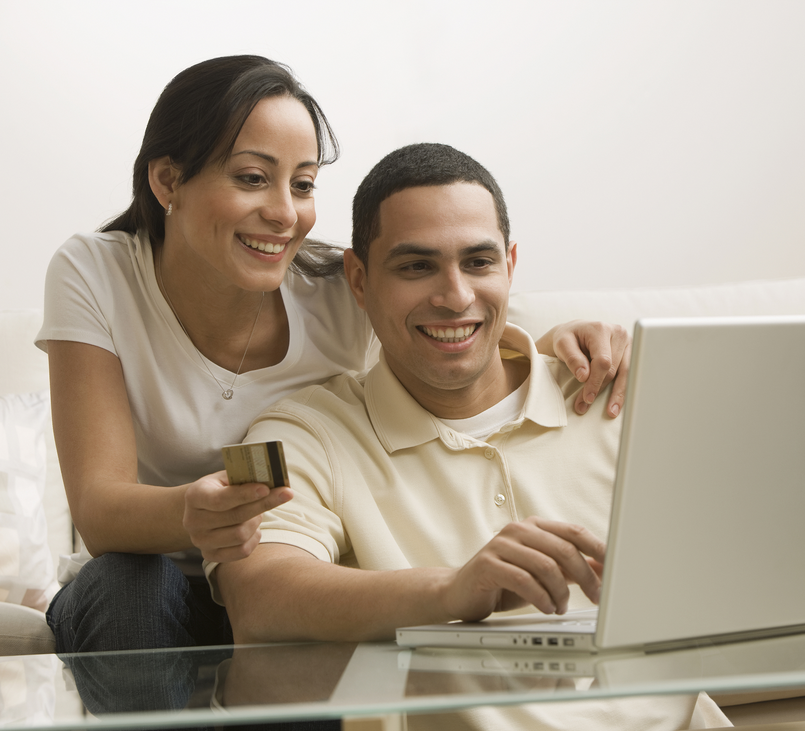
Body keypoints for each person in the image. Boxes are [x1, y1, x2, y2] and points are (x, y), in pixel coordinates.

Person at [35, 56, 631, 657]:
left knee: (314, 642)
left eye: (302, 184)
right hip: (151, 579)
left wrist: (566, 336)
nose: (285, 213)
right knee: (133, 587)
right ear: (167, 181)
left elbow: (464, 313)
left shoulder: (330, 290)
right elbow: (100, 509)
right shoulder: (97, 271)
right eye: (251, 178)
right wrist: (199, 512)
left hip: (296, 559)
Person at [210, 143, 729, 730]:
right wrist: (452, 592)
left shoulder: (614, 389)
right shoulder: (300, 433)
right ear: (359, 279)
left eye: (478, 263)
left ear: (509, 265)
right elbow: (259, 597)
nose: (455, 296)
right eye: (416, 266)